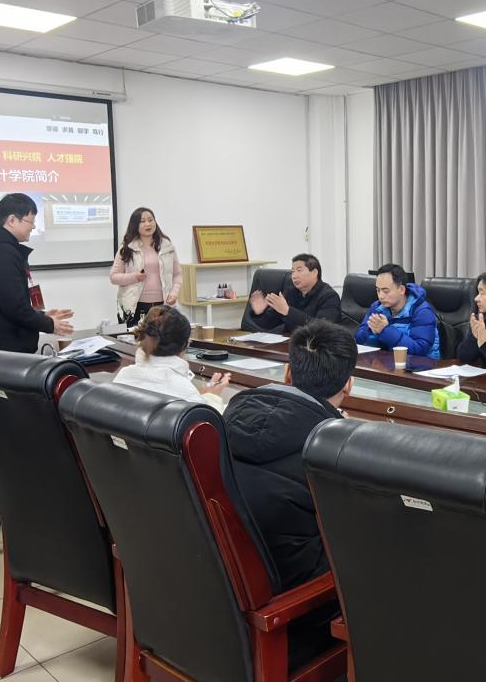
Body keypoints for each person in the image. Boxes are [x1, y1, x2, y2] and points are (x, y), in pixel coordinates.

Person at [224, 321, 356, 591]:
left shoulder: (229, 416)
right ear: (348, 385)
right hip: (299, 594)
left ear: (287, 373)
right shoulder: (336, 451)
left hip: (226, 576)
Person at [0, 193, 73, 353]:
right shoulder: (0, 252)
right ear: (12, 220)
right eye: (31, 221)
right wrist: (49, 324)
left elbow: (8, 302)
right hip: (2, 352)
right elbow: (14, 307)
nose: (33, 227)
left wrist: (41, 317)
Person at [113, 305, 230, 411]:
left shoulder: (123, 376)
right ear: (184, 345)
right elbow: (209, 424)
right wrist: (212, 397)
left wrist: (200, 396)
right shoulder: (184, 391)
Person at [109, 208, 181, 326]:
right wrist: (134, 277)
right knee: (136, 337)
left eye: (150, 220)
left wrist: (174, 293)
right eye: (142, 221)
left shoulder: (166, 246)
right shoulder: (127, 247)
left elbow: (177, 274)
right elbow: (114, 277)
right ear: (135, 225)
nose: (148, 224)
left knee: (163, 337)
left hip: (163, 305)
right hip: (134, 307)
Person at [355, 263, 440, 359]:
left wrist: (385, 331)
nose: (381, 296)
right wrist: (368, 330)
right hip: (388, 362)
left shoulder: (422, 311)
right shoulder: (377, 307)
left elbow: (420, 350)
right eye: (378, 290)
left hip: (423, 365)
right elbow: (358, 340)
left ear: (401, 290)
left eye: (386, 291)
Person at [245, 253, 342, 333]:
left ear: (314, 273)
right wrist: (260, 312)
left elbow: (322, 329)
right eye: (293, 271)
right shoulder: (291, 292)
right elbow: (268, 324)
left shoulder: (329, 296)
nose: (294, 276)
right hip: (289, 342)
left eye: (299, 270)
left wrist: (288, 311)